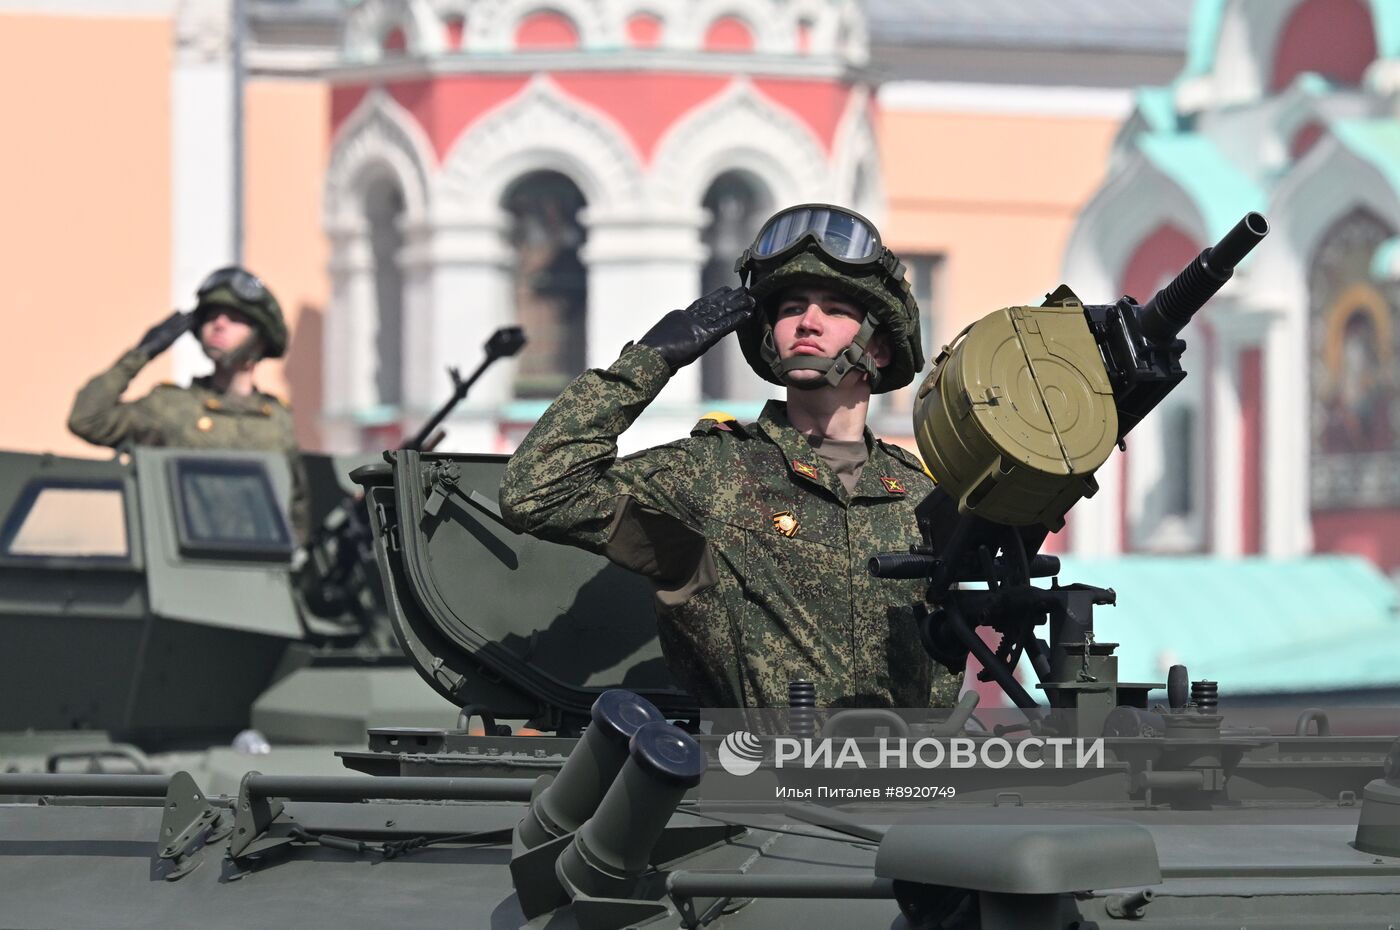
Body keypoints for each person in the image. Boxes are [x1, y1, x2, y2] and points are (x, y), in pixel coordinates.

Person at [500, 204, 963, 709]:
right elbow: (535, 491)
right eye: (790, 309)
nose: (808, 322)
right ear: (771, 338)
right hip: (757, 777)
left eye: (834, 309)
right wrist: (652, 360)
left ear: (878, 349)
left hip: (901, 777)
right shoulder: (715, 472)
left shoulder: (920, 497)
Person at [68, 266, 307, 539]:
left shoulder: (277, 420)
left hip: (263, 568)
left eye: (235, 318)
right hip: (186, 566)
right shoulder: (172, 407)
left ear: (260, 338)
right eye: (212, 316)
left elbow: (297, 509)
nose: (219, 324)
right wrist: (140, 355)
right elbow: (87, 419)